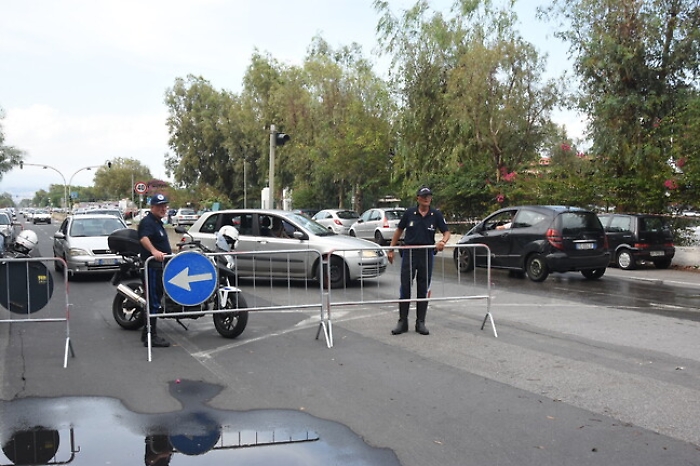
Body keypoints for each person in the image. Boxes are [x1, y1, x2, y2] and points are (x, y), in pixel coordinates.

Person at [387, 186, 450, 336]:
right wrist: (391, 249)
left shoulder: (435, 214)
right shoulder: (409, 213)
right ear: (418, 198)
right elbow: (399, 230)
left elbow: (446, 232)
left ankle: (420, 322)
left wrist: (443, 241)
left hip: (426, 254)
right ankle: (402, 322)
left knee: (423, 288)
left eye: (429, 196)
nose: (427, 199)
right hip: (410, 253)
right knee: (405, 287)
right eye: (424, 196)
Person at [138, 193, 172, 348]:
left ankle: (147, 333)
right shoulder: (148, 222)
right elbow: (143, 238)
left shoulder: (158, 223)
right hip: (152, 267)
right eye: (159, 206)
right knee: (153, 302)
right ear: (152, 207)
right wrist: (154, 251)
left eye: (164, 206)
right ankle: (150, 336)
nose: (163, 209)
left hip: (160, 268)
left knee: (156, 299)